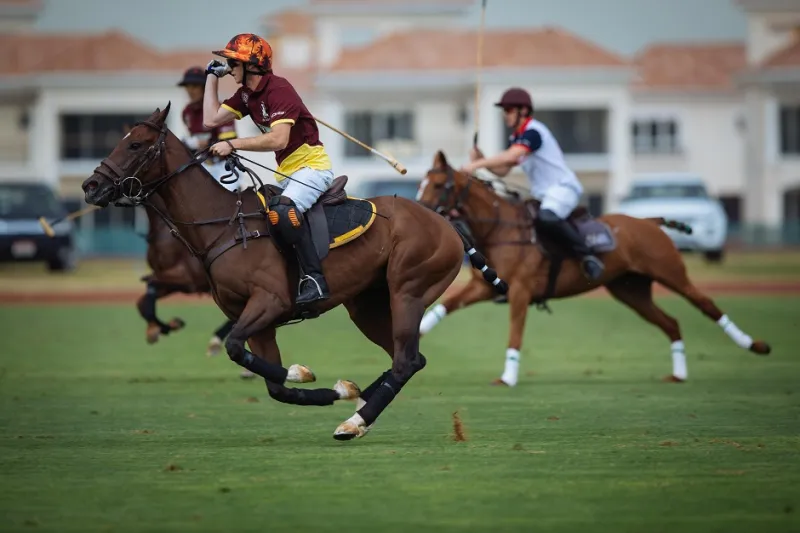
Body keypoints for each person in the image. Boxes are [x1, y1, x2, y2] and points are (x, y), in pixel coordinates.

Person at [203, 33, 334, 306]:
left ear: (251, 64)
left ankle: (315, 280)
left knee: (284, 212)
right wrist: (211, 77)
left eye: (232, 63)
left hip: (312, 168)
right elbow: (210, 120)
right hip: (288, 172)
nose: (229, 69)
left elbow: (279, 139)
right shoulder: (247, 95)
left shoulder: (279, 90)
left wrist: (234, 145)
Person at [459, 87, 604, 281]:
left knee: (547, 218)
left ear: (523, 111)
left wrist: (477, 164)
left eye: (509, 110)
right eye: (504, 111)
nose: (505, 115)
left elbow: (512, 155)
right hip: (543, 194)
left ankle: (588, 257)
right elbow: (505, 169)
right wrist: (482, 159)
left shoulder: (533, 132)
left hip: (563, 189)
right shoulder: (517, 137)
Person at [177, 66, 239, 191]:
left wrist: (198, 143)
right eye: (187, 86)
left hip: (223, 166)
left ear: (205, 88)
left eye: (194, 86)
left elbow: (228, 142)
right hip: (202, 165)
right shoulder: (186, 112)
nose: (190, 91)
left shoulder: (221, 109)